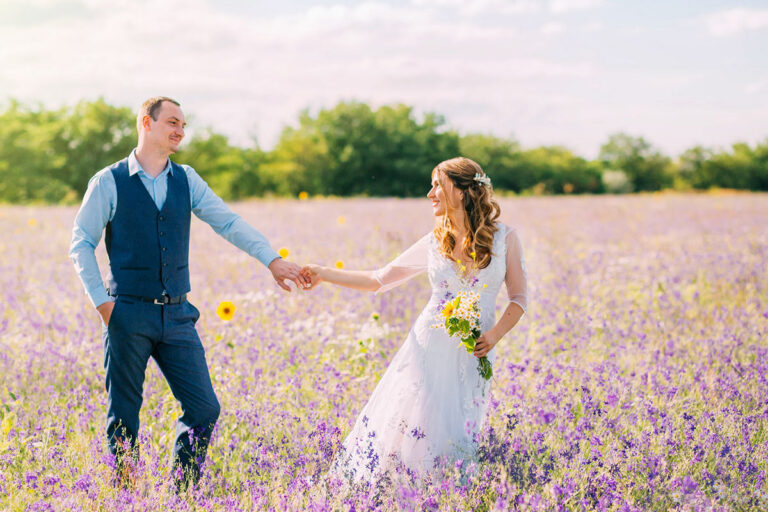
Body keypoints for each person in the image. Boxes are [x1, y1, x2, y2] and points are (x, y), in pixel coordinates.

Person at [69, 96, 308, 488]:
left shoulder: (186, 179)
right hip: (127, 313)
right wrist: (103, 305)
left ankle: (182, 493)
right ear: (146, 123)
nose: (180, 131)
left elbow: (228, 222)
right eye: (172, 122)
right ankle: (126, 498)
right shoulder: (108, 181)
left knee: (204, 408)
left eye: (183, 125)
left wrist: (271, 259)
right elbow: (81, 243)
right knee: (124, 416)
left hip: (178, 315)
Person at [300, 157, 528, 481]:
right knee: (417, 418)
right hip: (428, 346)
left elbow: (519, 299)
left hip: (476, 349)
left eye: (437, 185)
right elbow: (378, 279)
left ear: (462, 191)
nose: (429, 194)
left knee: (461, 422)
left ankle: (450, 489)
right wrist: (324, 273)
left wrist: (494, 335)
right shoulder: (435, 241)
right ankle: (404, 487)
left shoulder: (505, 238)